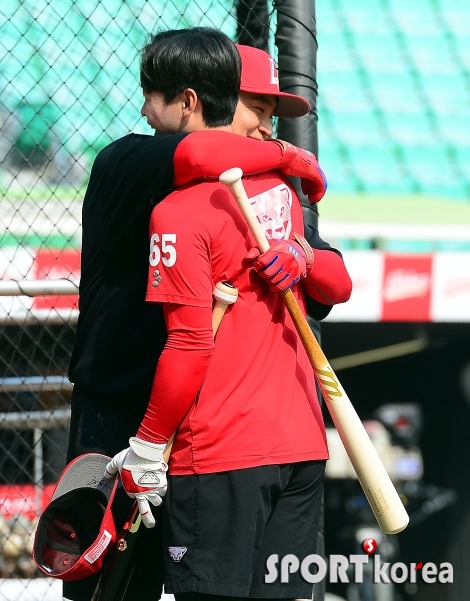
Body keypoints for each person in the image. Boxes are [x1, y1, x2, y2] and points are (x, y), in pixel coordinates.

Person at [66, 29, 328, 601]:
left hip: (204, 423)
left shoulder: (267, 189)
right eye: (257, 110)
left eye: (273, 115)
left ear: (185, 99)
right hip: (120, 406)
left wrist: (303, 253)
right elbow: (200, 153)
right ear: (209, 102)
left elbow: (328, 278)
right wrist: (293, 156)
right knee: (106, 589)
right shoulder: (131, 157)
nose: (266, 126)